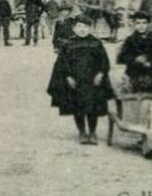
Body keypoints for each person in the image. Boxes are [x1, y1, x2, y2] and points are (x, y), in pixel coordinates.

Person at [47, 14, 116, 144]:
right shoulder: (68, 44)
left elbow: (104, 61)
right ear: (74, 28)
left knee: (92, 107)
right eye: (79, 27)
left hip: (92, 81)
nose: (82, 30)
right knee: (78, 107)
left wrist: (100, 74)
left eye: (85, 27)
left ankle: (92, 132)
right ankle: (82, 132)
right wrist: (67, 76)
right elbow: (62, 63)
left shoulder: (96, 43)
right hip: (76, 81)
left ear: (90, 28)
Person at [117, 10, 152, 94]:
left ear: (148, 24)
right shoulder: (130, 41)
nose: (141, 26)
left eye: (144, 23)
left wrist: (151, 63)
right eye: (138, 23)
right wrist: (135, 60)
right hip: (134, 77)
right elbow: (121, 58)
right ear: (134, 24)